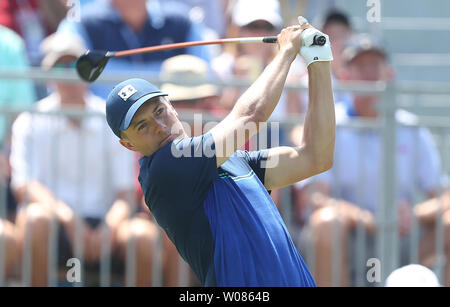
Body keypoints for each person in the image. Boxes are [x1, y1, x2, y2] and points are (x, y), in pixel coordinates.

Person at [105, 17, 334, 286]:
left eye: (159, 111)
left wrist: (319, 60)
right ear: (129, 144)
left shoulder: (231, 159)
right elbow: (251, 115)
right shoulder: (164, 167)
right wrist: (286, 52)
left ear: (171, 106)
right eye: (142, 126)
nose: (159, 126)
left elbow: (315, 157)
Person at [293, 34, 442, 286]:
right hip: (349, 237)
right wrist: (368, 220)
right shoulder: (328, 125)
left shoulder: (412, 128)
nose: (369, 73)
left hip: (404, 237)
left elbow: (441, 195)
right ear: (344, 75)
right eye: (360, 66)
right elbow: (315, 198)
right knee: (327, 223)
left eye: (375, 65)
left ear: (390, 73)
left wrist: (413, 215)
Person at [9, 32, 155, 286]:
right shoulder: (30, 121)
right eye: (60, 67)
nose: (69, 74)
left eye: (77, 66)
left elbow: (125, 194)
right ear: (47, 75)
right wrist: (67, 218)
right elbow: (25, 186)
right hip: (54, 223)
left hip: (104, 224)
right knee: (36, 219)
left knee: (142, 237)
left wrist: (108, 227)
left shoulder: (111, 120)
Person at [57, 0, 212, 99]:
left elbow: (209, 78)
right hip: (104, 136)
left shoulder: (183, 21)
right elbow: (62, 76)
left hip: (172, 133)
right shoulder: (80, 23)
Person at [0, 25, 36, 281]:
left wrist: (6, 155)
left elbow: (21, 116)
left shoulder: (9, 44)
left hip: (3, 161)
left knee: (7, 241)